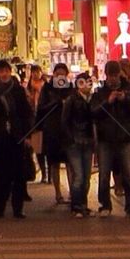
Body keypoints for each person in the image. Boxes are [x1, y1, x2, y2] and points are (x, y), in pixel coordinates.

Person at [0, 59, 34, 220]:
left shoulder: (18, 90)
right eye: (1, 71)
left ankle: (18, 208)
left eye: (6, 71)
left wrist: (27, 135)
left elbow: (26, 114)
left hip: (17, 137)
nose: (4, 74)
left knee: (18, 174)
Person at [91, 60, 130, 218]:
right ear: (106, 75)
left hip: (125, 137)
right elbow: (93, 112)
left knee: (129, 174)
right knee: (104, 174)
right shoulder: (100, 92)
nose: (113, 79)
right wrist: (108, 102)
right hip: (105, 139)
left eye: (115, 75)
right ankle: (105, 205)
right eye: (110, 76)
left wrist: (125, 99)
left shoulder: (129, 88)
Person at [34, 63, 72, 205]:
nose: (60, 77)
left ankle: (71, 193)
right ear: (53, 74)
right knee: (54, 163)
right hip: (52, 130)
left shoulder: (70, 88)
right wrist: (55, 103)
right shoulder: (48, 88)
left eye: (63, 74)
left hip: (67, 130)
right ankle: (58, 193)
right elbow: (41, 108)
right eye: (57, 74)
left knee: (69, 163)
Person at [61, 72, 95, 217]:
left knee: (86, 176)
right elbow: (64, 121)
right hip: (74, 142)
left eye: (89, 82)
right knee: (79, 176)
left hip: (88, 141)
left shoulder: (93, 100)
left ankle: (83, 205)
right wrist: (70, 138)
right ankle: (76, 206)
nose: (87, 85)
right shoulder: (71, 100)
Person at [25, 65, 47, 182]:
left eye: (37, 72)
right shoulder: (28, 86)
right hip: (34, 120)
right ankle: (43, 173)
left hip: (45, 119)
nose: (35, 74)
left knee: (47, 148)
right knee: (38, 148)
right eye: (33, 72)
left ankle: (47, 174)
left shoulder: (46, 85)